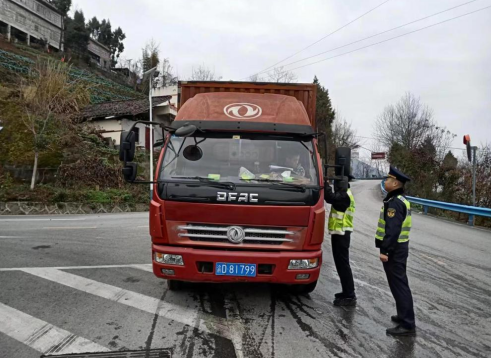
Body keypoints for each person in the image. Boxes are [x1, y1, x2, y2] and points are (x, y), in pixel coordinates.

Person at [376, 166, 416, 336]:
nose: (385, 182)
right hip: (400, 247)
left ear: (395, 183)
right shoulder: (399, 199)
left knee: (399, 285)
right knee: (398, 283)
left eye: (388, 180)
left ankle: (407, 323)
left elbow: (392, 230)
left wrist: (385, 250)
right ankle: (402, 315)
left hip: (395, 249)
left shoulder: (395, 203)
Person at [325, 174, 356, 306]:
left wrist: (325, 184)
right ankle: (346, 291)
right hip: (339, 233)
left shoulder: (345, 196)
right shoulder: (345, 194)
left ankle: (349, 295)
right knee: (340, 264)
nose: (335, 185)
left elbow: (329, 198)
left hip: (342, 234)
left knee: (343, 264)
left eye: (336, 182)